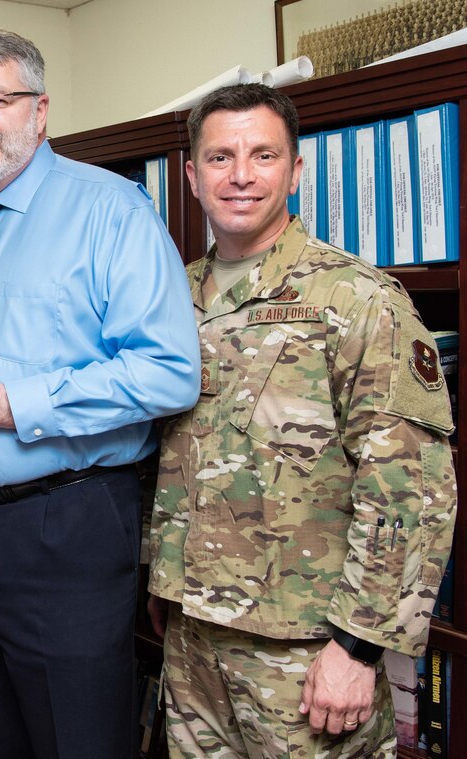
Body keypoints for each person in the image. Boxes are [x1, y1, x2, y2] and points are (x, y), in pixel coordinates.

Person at [0, 28, 200, 757]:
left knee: (77, 739)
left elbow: (167, 371)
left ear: (41, 109)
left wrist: (11, 403)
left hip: (64, 523)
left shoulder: (111, 210)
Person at [147, 83, 457, 758]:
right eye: (221, 157)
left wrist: (357, 646)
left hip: (306, 650)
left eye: (263, 155)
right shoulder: (170, 295)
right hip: (191, 637)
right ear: (193, 174)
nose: (241, 175)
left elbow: (409, 489)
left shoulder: (355, 297)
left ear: (295, 170)